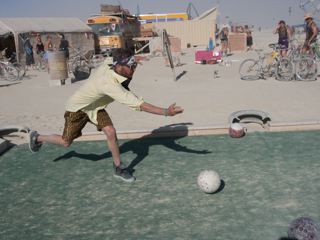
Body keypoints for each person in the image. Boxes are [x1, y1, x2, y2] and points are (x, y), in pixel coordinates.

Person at [28, 48, 184, 182]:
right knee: (65, 142)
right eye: (132, 66)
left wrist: (133, 58)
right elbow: (139, 105)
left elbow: (114, 58)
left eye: (134, 66)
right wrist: (165, 112)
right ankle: (37, 137)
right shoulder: (110, 85)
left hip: (96, 107)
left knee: (111, 131)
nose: (134, 69)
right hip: (77, 109)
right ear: (121, 65)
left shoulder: (110, 63)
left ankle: (118, 167)